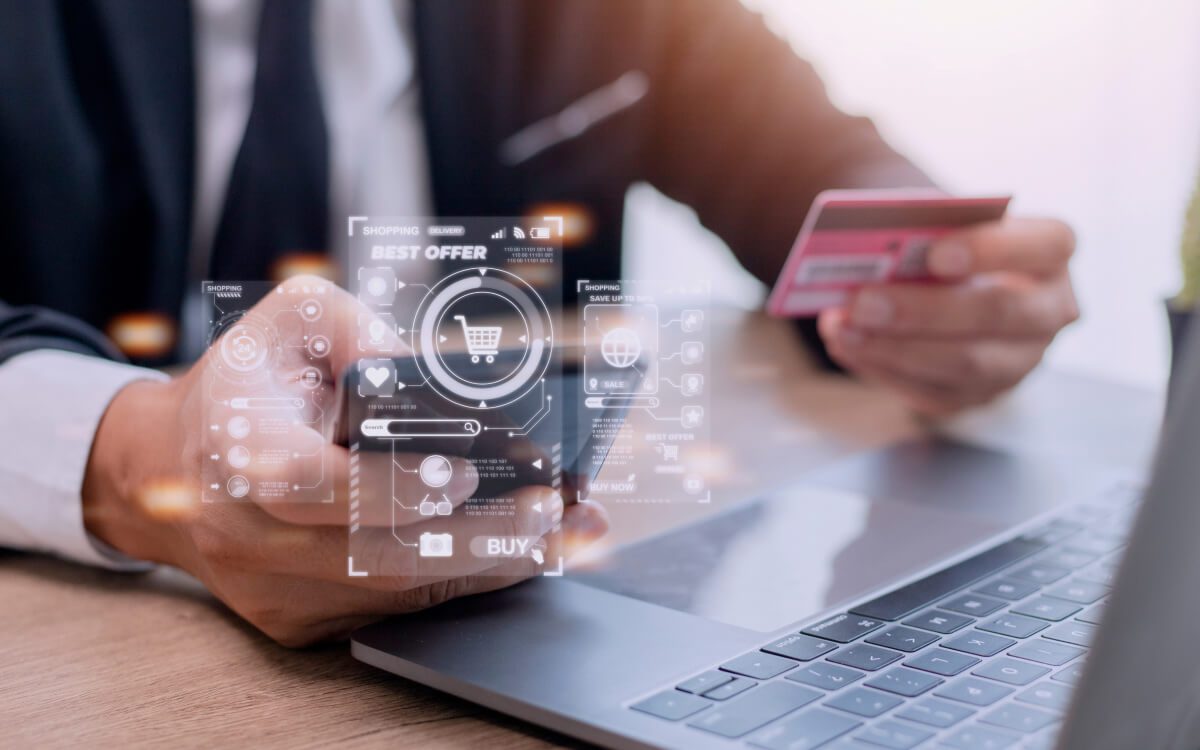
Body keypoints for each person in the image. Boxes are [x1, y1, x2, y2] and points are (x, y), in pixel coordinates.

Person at [0, 0, 1078, 646]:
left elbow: (812, 160)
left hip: (521, 620)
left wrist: (942, 285)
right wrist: (129, 457)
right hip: (94, 643)